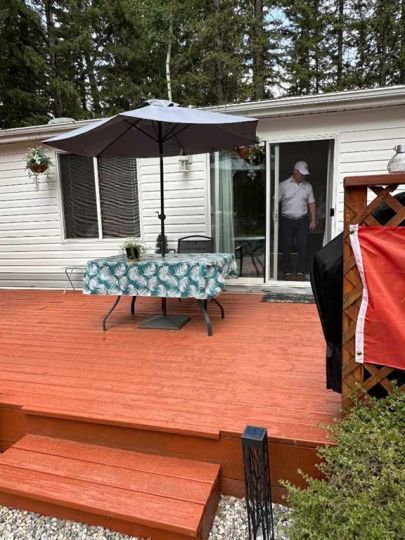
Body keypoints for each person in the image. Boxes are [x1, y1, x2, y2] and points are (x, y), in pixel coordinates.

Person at [279, 161, 316, 280]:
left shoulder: (308, 186)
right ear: (295, 171)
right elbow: (274, 202)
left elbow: (311, 203)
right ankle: (287, 272)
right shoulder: (283, 185)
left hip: (302, 220)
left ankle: (301, 272)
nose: (303, 176)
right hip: (287, 220)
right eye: (301, 174)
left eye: (305, 174)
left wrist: (313, 220)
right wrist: (273, 220)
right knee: (287, 245)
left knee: (303, 245)